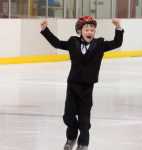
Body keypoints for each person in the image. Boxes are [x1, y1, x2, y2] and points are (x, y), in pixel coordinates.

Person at [40, 16, 124, 150]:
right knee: (68, 117)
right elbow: (57, 43)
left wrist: (118, 27)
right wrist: (45, 30)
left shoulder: (100, 44)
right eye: (86, 29)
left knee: (84, 120)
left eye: (92, 30)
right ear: (80, 31)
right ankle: (71, 137)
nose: (90, 32)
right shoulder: (73, 42)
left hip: (87, 88)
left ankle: (83, 143)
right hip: (73, 86)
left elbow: (117, 43)